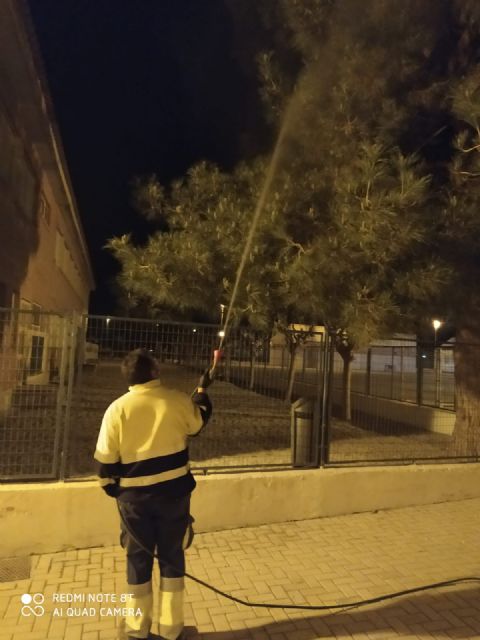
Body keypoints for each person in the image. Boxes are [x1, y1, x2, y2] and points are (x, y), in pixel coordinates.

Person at [94, 348, 213, 640]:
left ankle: (137, 629)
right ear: (155, 372)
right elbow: (198, 422)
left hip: (134, 502)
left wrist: (117, 491)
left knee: (137, 561)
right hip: (174, 497)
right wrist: (202, 390)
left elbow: (105, 464)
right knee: (172, 558)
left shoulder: (117, 410)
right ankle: (172, 630)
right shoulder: (177, 400)